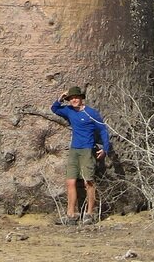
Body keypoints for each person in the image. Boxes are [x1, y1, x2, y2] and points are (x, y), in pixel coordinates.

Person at [51, 85, 110, 225]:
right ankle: (71, 214)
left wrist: (105, 149)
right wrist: (61, 97)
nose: (74, 100)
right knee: (70, 182)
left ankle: (90, 213)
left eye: (76, 97)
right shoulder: (69, 111)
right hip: (74, 150)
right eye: (71, 98)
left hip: (87, 150)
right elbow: (54, 109)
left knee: (88, 181)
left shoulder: (91, 113)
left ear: (81, 99)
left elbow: (103, 130)